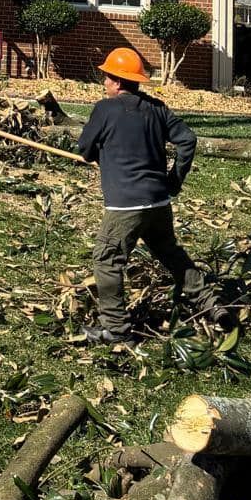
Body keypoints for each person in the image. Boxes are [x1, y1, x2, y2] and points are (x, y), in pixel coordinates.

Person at [76, 46, 210, 344]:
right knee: (169, 252)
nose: (105, 83)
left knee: (107, 260)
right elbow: (187, 140)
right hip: (159, 202)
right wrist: (174, 180)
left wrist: (100, 151)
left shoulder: (104, 109)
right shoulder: (157, 108)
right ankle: (210, 304)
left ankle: (116, 329)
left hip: (126, 206)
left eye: (107, 78)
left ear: (119, 81)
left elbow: (84, 150)